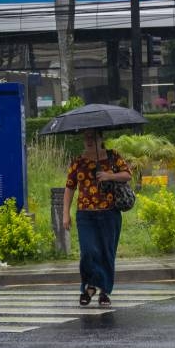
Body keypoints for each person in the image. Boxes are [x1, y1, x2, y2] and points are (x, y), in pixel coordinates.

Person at [62, 130, 132, 308]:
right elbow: (69, 188)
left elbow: (127, 174)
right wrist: (65, 213)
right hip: (85, 214)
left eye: (92, 137)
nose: (89, 141)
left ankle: (104, 292)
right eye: (86, 138)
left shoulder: (112, 157)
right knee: (89, 251)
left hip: (110, 213)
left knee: (107, 254)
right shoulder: (78, 162)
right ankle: (90, 285)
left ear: (101, 139)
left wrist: (110, 176)